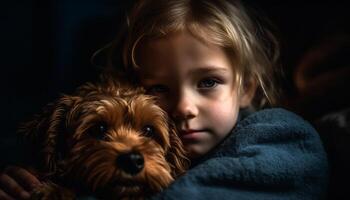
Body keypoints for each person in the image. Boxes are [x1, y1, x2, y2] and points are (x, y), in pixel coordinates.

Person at [0, 0, 329, 199]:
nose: (184, 108)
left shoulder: (281, 137)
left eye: (209, 82)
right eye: (158, 89)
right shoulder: (158, 148)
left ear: (246, 88)